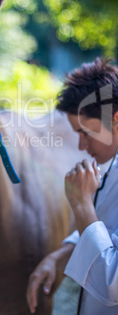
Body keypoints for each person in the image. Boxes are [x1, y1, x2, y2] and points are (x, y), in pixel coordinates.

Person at [27, 58, 118, 314]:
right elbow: (107, 227)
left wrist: (80, 203)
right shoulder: (112, 166)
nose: (81, 147)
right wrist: (61, 256)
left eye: (85, 133)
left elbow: (112, 284)